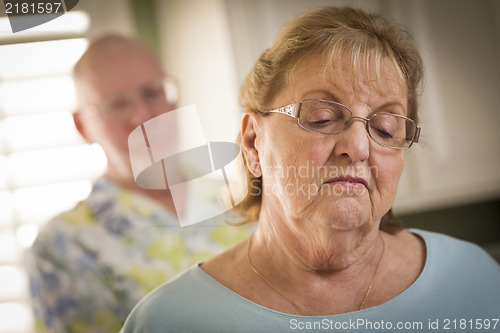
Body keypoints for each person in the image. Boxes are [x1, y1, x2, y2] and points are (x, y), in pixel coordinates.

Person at [121, 6, 500, 333]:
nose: (358, 147)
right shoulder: (170, 321)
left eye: (385, 128)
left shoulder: (475, 279)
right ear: (254, 143)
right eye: (321, 118)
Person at [27, 35, 250, 333]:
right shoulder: (65, 246)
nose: (143, 117)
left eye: (152, 93)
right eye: (117, 104)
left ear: (173, 98)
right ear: (82, 126)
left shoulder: (244, 199)